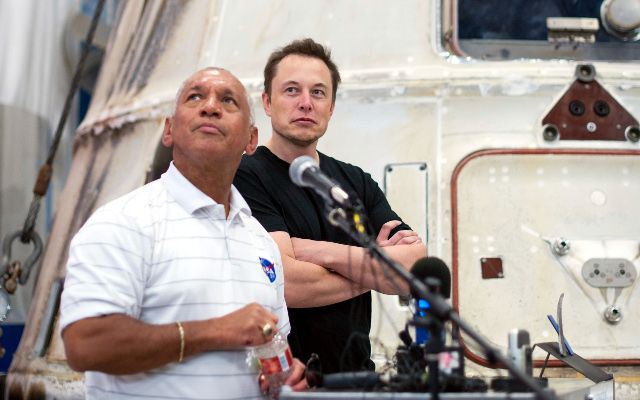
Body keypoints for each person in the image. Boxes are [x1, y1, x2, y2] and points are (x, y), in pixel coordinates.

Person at [61, 67, 307, 399]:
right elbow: (86, 345)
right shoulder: (122, 222)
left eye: (228, 100)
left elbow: (272, 346)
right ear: (169, 130)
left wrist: (284, 373)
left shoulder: (259, 240)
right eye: (195, 97)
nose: (210, 106)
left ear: (251, 140)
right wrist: (216, 331)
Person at [234, 39, 427, 374]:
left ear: (332, 106)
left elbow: (413, 271)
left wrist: (316, 252)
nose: (306, 103)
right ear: (267, 102)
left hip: (357, 379)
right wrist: (375, 270)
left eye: (319, 93)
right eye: (292, 90)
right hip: (286, 384)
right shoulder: (246, 175)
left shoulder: (356, 181)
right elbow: (287, 284)